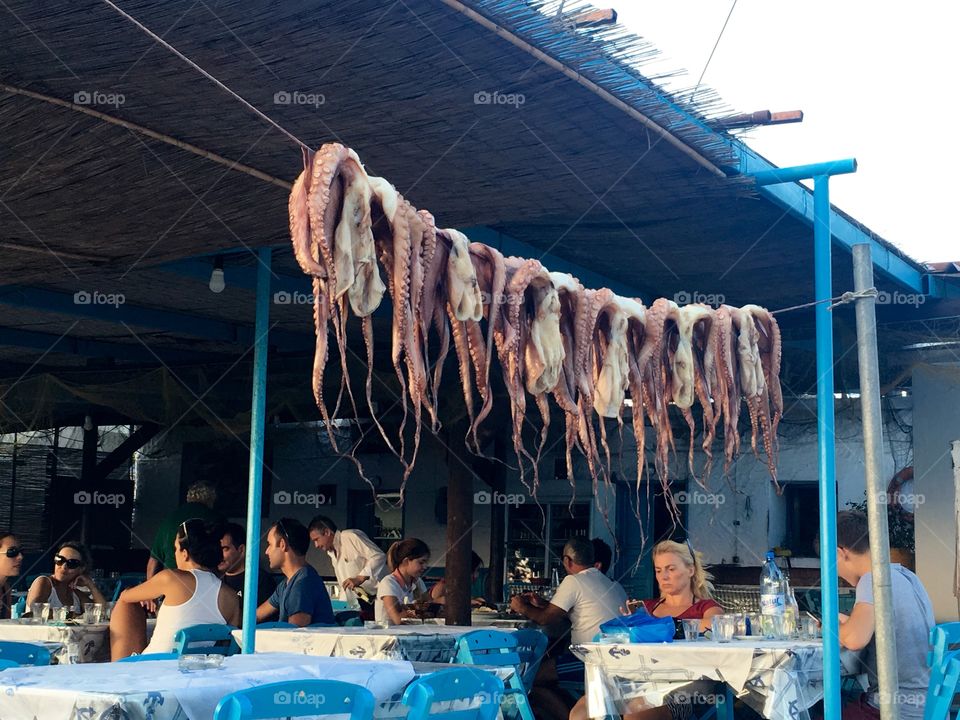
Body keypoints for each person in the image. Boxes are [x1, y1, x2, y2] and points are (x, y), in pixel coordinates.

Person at [569, 539, 723, 720]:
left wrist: (659, 626)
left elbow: (715, 625)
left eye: (670, 569)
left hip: (687, 685)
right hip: (638, 679)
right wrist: (630, 626)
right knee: (581, 713)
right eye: (658, 570)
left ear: (690, 570)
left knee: (636, 714)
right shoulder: (648, 607)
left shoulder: (706, 607)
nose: (663, 576)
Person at [512, 538, 628, 720]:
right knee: (547, 675)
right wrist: (543, 604)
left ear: (567, 561)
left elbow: (544, 619)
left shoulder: (573, 581)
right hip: (619, 660)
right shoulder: (614, 584)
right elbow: (580, 610)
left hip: (591, 661)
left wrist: (522, 607)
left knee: (531, 679)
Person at [835, 510, 933, 720]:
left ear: (840, 553)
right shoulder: (906, 575)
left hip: (897, 709)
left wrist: (833, 627)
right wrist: (850, 623)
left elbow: (854, 639)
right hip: (926, 704)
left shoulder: (872, 580)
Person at [111, 518, 240, 659]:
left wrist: (141, 592)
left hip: (153, 667)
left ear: (184, 553)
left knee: (125, 603)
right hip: (196, 671)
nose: (175, 554)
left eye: (176, 549)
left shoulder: (172, 578)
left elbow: (125, 596)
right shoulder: (232, 597)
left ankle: (117, 670)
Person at [256, 518, 334, 627]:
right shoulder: (286, 584)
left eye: (270, 544)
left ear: (282, 544)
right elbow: (256, 616)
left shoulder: (304, 583)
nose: (266, 551)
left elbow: (294, 634)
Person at [147, 481, 221, 578]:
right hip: (208, 580)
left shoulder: (170, 518)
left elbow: (153, 562)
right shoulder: (216, 518)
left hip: (171, 580)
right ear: (211, 499)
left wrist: (150, 588)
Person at [308, 515, 387, 598]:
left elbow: (378, 556)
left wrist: (360, 578)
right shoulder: (331, 553)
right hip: (357, 602)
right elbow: (345, 586)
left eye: (316, 539)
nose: (316, 545)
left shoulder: (350, 536)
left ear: (327, 532)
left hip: (378, 597)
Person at [26, 541, 108, 614]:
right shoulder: (44, 582)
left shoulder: (76, 594)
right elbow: (36, 609)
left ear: (81, 569)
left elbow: (102, 613)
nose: (63, 566)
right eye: (60, 560)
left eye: (71, 563)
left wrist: (91, 585)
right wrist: (74, 617)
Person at [219, 522, 276, 618]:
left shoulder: (261, 580)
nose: (218, 555)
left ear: (241, 549)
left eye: (225, 549)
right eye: (216, 549)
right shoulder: (213, 580)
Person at [376, 538, 431, 625]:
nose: (425, 567)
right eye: (421, 562)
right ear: (406, 561)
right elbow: (397, 619)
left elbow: (429, 606)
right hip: (390, 636)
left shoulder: (418, 582)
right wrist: (417, 609)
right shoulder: (388, 583)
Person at [0, 532, 23, 620]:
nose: (20, 557)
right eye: (12, 552)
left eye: (21, 552)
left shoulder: (6, 588)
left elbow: (6, 625)